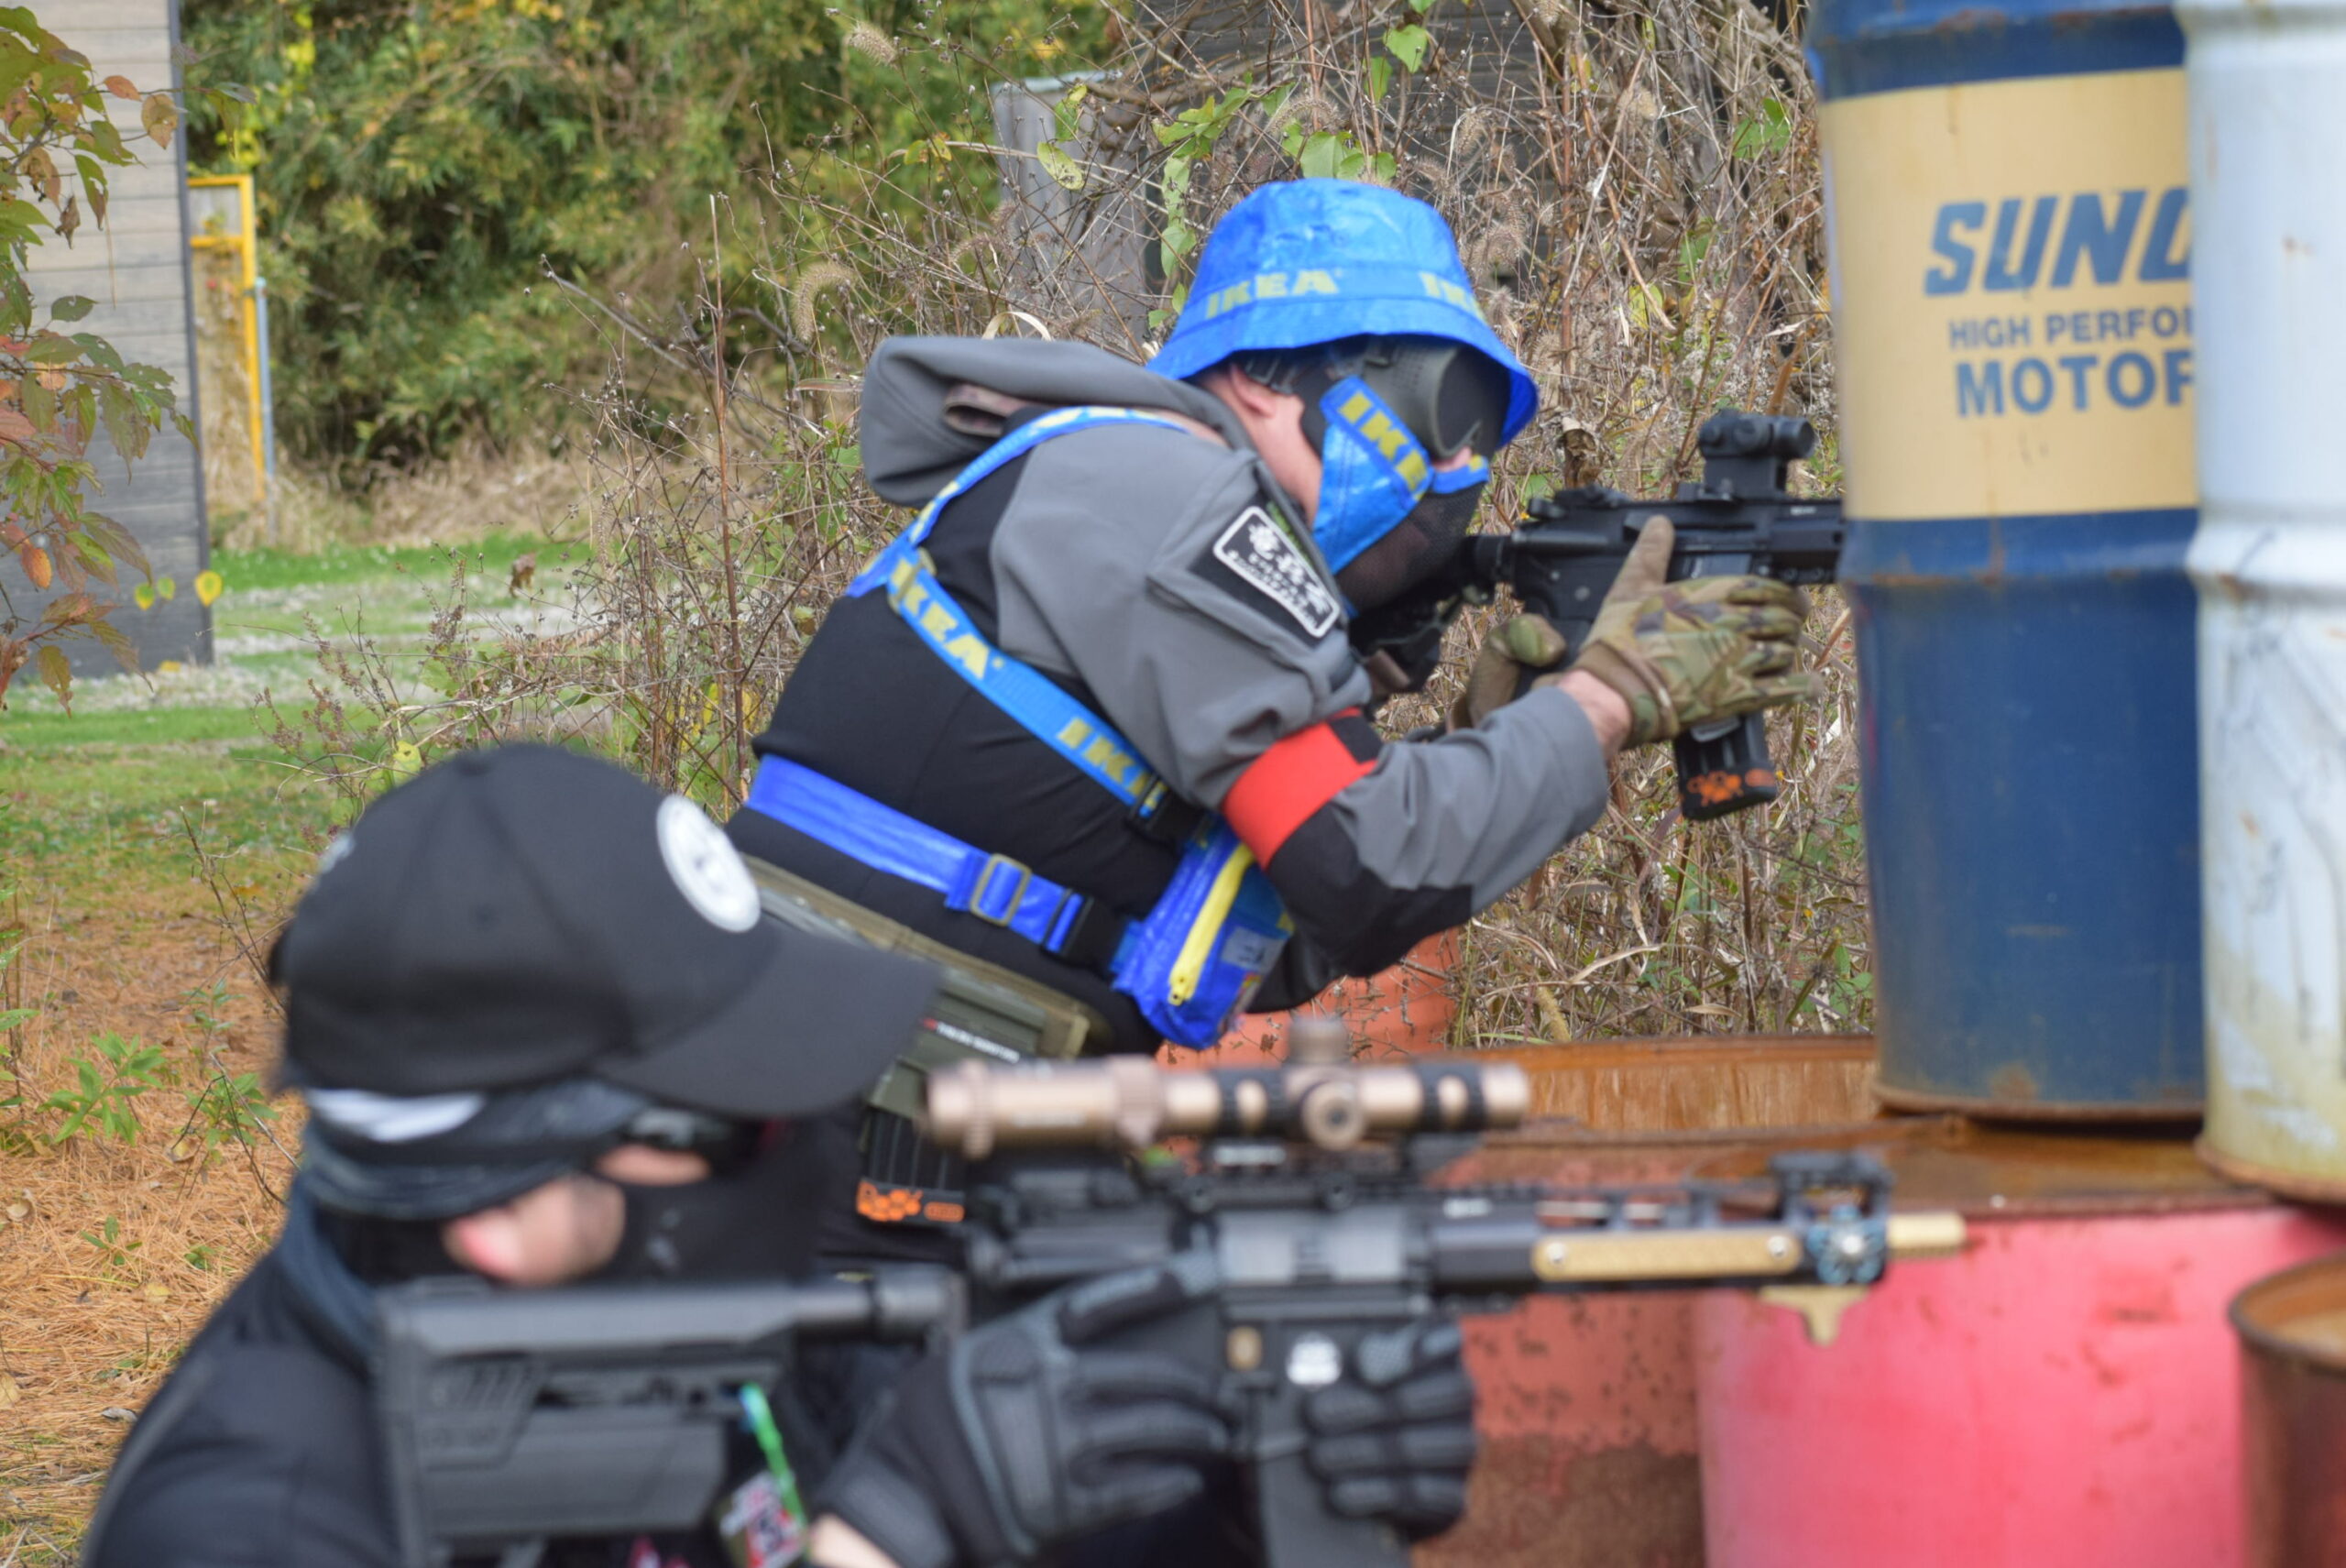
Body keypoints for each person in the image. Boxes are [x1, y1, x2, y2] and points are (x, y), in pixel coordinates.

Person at [726, 178, 1814, 1230]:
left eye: (1476, 435)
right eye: (1438, 406)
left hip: (860, 1100)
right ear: (1259, 374)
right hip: (851, 1121)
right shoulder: (1171, 491)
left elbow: (1269, 936)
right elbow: (1366, 867)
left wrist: (1491, 742)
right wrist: (1609, 698)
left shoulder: (1110, 482)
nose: (1451, 467)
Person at [83, 746, 1466, 1568]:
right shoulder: (253, 1522)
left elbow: (995, 1496)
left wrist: (1240, 1480)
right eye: (741, 1116)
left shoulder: (697, 1336)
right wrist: (883, 1537)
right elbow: (907, 1509)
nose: (804, 1144)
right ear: (505, 1211)